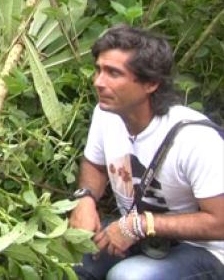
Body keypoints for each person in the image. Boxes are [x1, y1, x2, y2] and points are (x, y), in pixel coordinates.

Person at [69, 25, 224, 280]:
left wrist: (140, 225)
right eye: (98, 69)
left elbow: (220, 222)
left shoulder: (195, 138)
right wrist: (85, 198)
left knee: (129, 277)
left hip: (203, 248)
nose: (98, 82)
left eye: (113, 73)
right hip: (137, 233)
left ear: (151, 83)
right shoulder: (106, 114)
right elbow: (94, 164)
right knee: (69, 259)